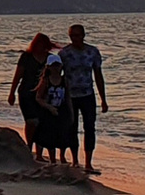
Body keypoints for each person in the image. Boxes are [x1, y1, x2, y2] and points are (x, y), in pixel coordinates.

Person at [58, 23, 107, 173]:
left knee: (89, 128)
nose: (75, 39)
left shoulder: (92, 52)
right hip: (70, 96)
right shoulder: (64, 54)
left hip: (87, 95)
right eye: (72, 36)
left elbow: (98, 75)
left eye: (77, 35)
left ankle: (88, 162)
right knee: (72, 128)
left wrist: (103, 99)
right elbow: (56, 75)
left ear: (83, 35)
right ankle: (74, 160)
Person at [7, 33, 56, 160]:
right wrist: (11, 93)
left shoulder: (50, 58)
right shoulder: (26, 57)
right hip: (26, 93)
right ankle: (29, 146)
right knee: (31, 121)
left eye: (43, 44)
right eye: (38, 43)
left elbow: (55, 76)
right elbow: (18, 76)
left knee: (41, 123)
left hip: (43, 95)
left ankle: (39, 153)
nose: (40, 46)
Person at [36, 56, 74, 164]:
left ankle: (62, 156)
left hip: (61, 111)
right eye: (53, 66)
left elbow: (68, 97)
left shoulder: (64, 80)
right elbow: (38, 98)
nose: (55, 68)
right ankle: (52, 160)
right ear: (48, 67)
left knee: (62, 135)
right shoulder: (46, 81)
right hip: (49, 112)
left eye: (57, 65)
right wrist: (49, 107)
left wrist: (71, 114)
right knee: (49, 137)